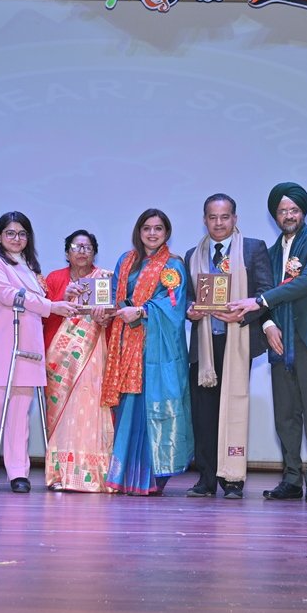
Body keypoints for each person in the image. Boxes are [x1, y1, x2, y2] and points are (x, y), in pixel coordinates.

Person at [229, 182, 307, 504]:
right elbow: (262, 290)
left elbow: (306, 282)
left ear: (303, 212)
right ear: (274, 215)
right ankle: (291, 479)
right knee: (285, 415)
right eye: (282, 211)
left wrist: (260, 301)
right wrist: (266, 324)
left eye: (293, 209)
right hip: (279, 341)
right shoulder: (269, 253)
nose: (288, 215)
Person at [0, 211, 76, 494]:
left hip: (27, 349)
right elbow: (7, 295)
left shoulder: (29, 266)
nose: (16, 238)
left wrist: (58, 300)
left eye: (22, 234)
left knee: (19, 418)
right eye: (10, 233)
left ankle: (18, 472)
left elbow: (41, 300)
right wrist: (50, 306)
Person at [98, 209, 193, 496]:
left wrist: (140, 311)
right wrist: (103, 309)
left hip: (156, 350)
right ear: (139, 232)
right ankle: (125, 476)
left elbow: (173, 305)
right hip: (126, 346)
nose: (152, 233)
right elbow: (114, 296)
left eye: (158, 228)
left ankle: (152, 478)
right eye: (147, 228)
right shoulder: (126, 261)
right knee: (128, 407)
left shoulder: (173, 265)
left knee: (155, 406)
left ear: (166, 233)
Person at [184, 194, 272, 499]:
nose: (218, 223)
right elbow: (187, 297)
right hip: (204, 346)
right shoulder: (193, 255)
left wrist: (244, 311)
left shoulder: (253, 248)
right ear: (204, 220)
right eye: (212, 217)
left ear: (235, 219)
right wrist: (190, 310)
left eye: (224, 217)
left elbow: (266, 293)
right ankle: (206, 479)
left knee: (232, 409)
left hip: (237, 342)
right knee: (204, 414)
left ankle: (232, 480)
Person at [41, 229, 115, 493]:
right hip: (59, 359)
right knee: (63, 415)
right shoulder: (54, 279)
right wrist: (62, 299)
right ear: (66, 253)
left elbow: (113, 319)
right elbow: (43, 315)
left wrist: (105, 317)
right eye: (76, 247)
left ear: (94, 253)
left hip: (94, 355)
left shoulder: (105, 279)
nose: (82, 251)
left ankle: (96, 474)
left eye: (87, 247)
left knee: (92, 409)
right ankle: (59, 474)